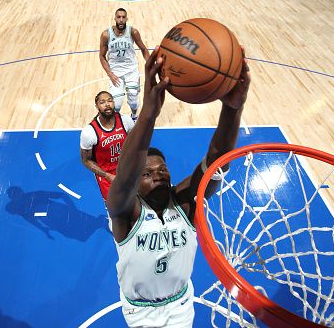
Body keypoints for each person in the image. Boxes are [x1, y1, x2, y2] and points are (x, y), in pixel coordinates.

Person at [107, 47, 250, 326]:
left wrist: (233, 108)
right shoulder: (125, 214)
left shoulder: (184, 202)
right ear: (135, 184)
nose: (158, 175)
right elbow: (124, 176)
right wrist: (148, 115)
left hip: (180, 304)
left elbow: (216, 161)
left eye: (162, 169)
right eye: (147, 173)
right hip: (141, 312)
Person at [80, 91, 135, 202]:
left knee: (136, 200)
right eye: (102, 102)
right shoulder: (89, 132)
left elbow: (136, 143)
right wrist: (106, 175)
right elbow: (86, 160)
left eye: (110, 100)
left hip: (127, 169)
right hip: (106, 175)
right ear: (97, 106)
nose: (107, 104)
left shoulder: (126, 121)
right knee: (114, 206)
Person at [99, 8, 150, 121]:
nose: (121, 20)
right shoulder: (106, 35)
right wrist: (110, 74)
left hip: (131, 70)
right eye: (119, 17)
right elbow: (102, 56)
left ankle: (134, 116)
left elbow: (144, 49)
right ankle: (117, 120)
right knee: (116, 105)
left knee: (133, 101)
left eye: (123, 17)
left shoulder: (133, 32)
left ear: (127, 18)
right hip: (115, 72)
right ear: (115, 18)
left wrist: (150, 64)